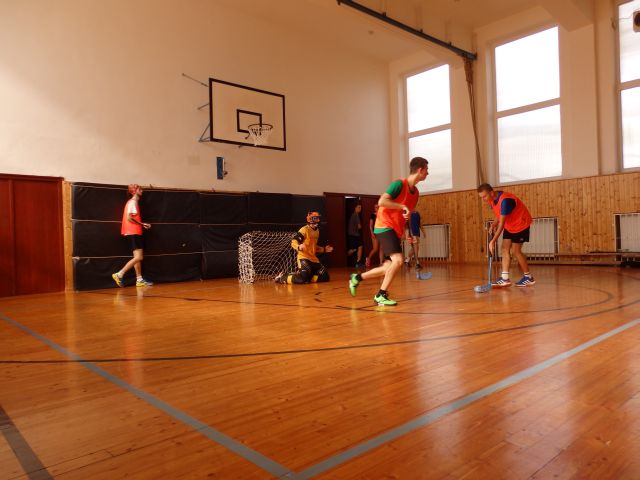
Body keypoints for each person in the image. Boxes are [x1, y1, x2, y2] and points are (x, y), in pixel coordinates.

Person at [349, 157, 429, 306]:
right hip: (384, 226)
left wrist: (407, 233)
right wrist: (402, 206)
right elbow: (382, 201)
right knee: (398, 260)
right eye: (426, 170)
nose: (427, 173)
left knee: (388, 267)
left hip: (395, 230)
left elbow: (406, 215)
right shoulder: (398, 184)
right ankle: (381, 295)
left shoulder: (416, 193)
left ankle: (357, 278)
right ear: (420, 170)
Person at [477, 183, 535, 287]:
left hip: (521, 224)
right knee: (504, 248)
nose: (483, 199)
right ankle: (505, 278)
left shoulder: (505, 201)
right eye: (481, 197)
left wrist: (493, 241)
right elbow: (500, 214)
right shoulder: (492, 199)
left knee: (516, 251)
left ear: (491, 193)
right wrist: (494, 223)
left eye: (484, 196)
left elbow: (502, 223)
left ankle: (528, 277)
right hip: (510, 225)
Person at [112, 184, 153, 287]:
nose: (142, 191)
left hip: (134, 232)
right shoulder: (132, 202)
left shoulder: (133, 202)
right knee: (139, 257)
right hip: (133, 232)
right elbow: (129, 218)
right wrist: (142, 224)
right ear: (134, 191)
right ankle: (119, 274)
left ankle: (139, 279)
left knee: (136, 258)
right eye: (140, 189)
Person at [275, 211, 334, 284]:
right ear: (310, 219)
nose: (318, 220)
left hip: (314, 259)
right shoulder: (304, 230)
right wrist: (299, 246)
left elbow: (313, 247)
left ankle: (306, 277)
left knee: (325, 277)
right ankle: (282, 278)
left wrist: (324, 249)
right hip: (304, 258)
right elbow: (293, 242)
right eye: (316, 218)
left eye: (318, 218)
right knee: (302, 279)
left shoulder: (317, 231)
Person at [346, 203, 364, 267]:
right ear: (355, 208)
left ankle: (358, 262)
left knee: (360, 246)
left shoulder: (354, 215)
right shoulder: (356, 215)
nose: (360, 209)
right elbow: (359, 226)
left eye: (360, 208)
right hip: (353, 235)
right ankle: (343, 258)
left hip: (356, 235)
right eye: (358, 207)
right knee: (353, 249)